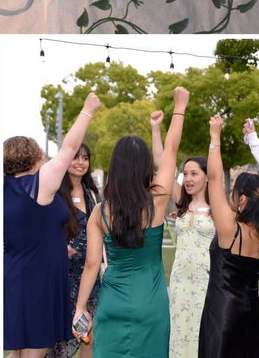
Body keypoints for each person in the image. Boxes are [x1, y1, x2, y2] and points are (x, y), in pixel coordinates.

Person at [73, 88, 190, 358]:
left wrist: (80, 308)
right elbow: (171, 149)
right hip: (151, 304)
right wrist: (179, 107)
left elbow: (92, 266)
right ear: (145, 166)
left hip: (112, 304)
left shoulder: (100, 212)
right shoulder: (158, 200)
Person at [4, 92, 101, 358]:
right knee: (35, 351)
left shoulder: (4, 188)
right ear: (35, 157)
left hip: (16, 271)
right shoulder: (37, 184)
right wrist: (87, 109)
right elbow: (69, 149)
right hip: (38, 278)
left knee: (19, 350)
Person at [198, 114, 259, 354]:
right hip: (253, 311)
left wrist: (215, 136)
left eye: (233, 191)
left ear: (242, 199)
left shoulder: (230, 229)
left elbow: (212, 178)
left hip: (223, 312)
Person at [49, 144, 101, 358]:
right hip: (62, 273)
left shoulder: (93, 194)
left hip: (91, 272)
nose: (81, 162)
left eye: (85, 158)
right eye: (75, 158)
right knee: (57, 339)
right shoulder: (54, 193)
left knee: (89, 333)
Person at [166, 151, 213, 358]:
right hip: (179, 281)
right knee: (179, 332)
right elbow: (165, 167)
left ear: (207, 177)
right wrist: (157, 130)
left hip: (207, 281)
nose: (188, 179)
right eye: (185, 174)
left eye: (194, 174)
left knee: (202, 334)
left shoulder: (217, 209)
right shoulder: (182, 205)